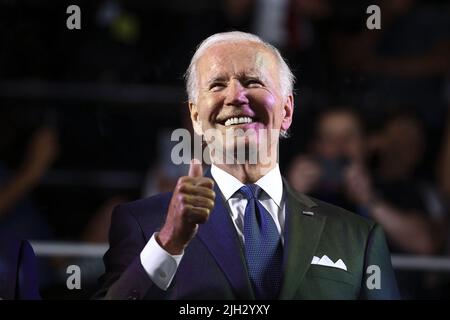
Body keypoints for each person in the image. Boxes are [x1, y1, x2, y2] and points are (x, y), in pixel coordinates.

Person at [95, 31, 399, 300]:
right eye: (216, 85)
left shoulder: (358, 236)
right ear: (196, 118)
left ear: (287, 110)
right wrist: (167, 243)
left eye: (253, 82)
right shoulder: (143, 223)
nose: (235, 96)